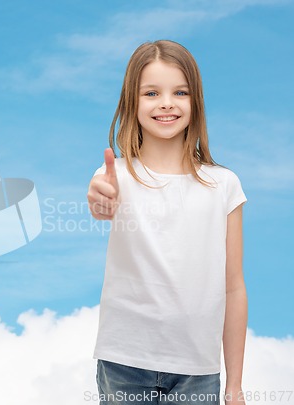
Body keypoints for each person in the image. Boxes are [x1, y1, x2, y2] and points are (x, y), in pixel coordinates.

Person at [87, 40, 247, 405]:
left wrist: (234, 386)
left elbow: (233, 288)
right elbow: (100, 204)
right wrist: (101, 201)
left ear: (196, 101)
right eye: (151, 93)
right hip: (123, 361)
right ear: (133, 101)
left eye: (180, 92)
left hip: (198, 370)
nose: (166, 103)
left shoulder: (224, 185)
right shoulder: (115, 177)